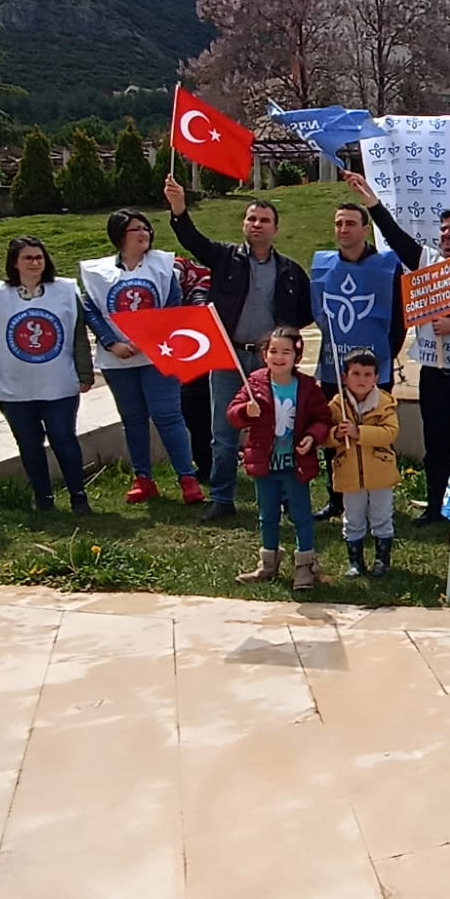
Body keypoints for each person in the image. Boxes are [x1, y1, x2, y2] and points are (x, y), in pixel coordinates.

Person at [165, 175, 313, 520]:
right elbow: (192, 241)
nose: (257, 224)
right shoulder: (225, 258)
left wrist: (281, 346)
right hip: (228, 357)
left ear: (276, 228)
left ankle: (283, 496)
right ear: (243, 224)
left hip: (271, 364)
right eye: (251, 219)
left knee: (279, 429)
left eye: (264, 220)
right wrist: (179, 210)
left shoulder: (290, 271)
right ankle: (222, 497)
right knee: (223, 432)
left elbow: (303, 313)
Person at [345, 170, 450, 528]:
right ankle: (436, 506)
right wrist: (371, 201)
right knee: (436, 445)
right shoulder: (427, 262)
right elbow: (395, 236)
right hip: (433, 370)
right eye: (443, 229)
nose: (447, 235)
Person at [80, 208, 203, 505]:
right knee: (133, 419)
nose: (143, 233)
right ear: (120, 234)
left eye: (146, 228)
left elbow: (174, 306)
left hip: (158, 355)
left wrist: (152, 340)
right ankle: (143, 478)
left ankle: (187, 478)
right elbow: (91, 309)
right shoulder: (99, 272)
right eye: (136, 228)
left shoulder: (163, 266)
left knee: (168, 416)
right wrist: (111, 342)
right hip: (119, 359)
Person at [0, 237, 94, 513]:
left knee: (64, 439)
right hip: (15, 386)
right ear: (14, 262)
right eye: (28, 258)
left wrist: (84, 371)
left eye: (39, 257)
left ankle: (78, 495)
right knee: (29, 443)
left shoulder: (65, 290)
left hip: (58, 384)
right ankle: (43, 498)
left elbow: (78, 335)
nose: (35, 263)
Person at [309, 198, 406, 521]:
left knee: (376, 434)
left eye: (350, 223)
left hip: (373, 369)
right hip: (332, 366)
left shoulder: (386, 266)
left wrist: (385, 357)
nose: (343, 229)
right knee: (336, 432)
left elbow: (398, 319)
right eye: (338, 223)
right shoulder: (322, 265)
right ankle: (337, 498)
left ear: (365, 229)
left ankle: (379, 501)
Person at [228, 326, 332, 590]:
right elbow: (233, 414)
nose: (279, 357)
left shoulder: (307, 387)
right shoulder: (255, 383)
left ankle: (305, 564)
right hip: (264, 463)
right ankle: (268, 563)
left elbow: (322, 418)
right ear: (265, 355)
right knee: (267, 514)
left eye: (286, 351)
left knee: (301, 515)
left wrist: (312, 436)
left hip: (296, 463)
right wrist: (245, 411)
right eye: (273, 351)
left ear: (297, 356)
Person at [325, 349, 400, 578]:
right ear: (345, 377)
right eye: (356, 374)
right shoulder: (336, 404)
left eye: (368, 374)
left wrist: (359, 432)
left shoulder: (385, 403)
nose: (362, 379)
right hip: (349, 471)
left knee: (381, 514)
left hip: (380, 471)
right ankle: (356, 562)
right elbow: (325, 437)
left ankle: (381, 560)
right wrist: (336, 434)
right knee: (353, 517)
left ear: (377, 378)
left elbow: (390, 433)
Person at [176, 254, 215, 484]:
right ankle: (204, 466)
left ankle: (212, 466)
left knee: (206, 413)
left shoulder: (203, 283)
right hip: (186, 358)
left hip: (209, 354)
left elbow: (202, 306)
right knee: (193, 413)